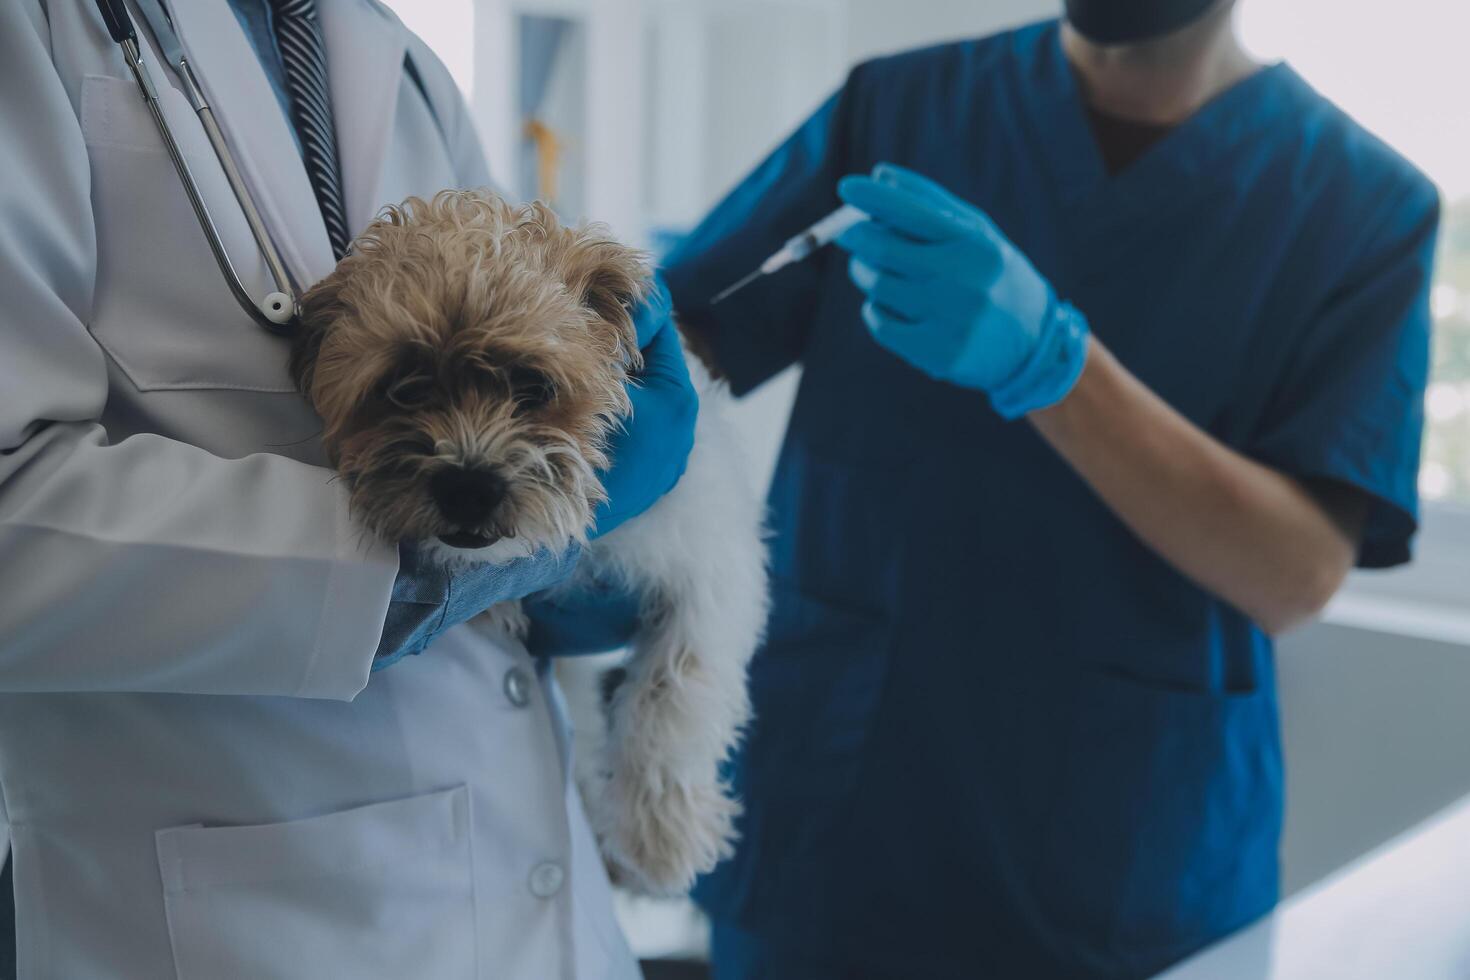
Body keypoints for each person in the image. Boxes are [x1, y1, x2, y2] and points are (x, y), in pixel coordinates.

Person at [663, 1, 1439, 977]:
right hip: (835, 825)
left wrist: (1053, 365)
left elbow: (1297, 572)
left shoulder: (1360, 204)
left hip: (1118, 864)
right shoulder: (903, 109)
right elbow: (679, 339)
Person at [0, 0, 695, 976]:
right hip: (227, 911)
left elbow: (539, 348)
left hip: (524, 873)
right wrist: (435, 570)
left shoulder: (394, 58)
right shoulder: (36, 29)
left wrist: (568, 565)